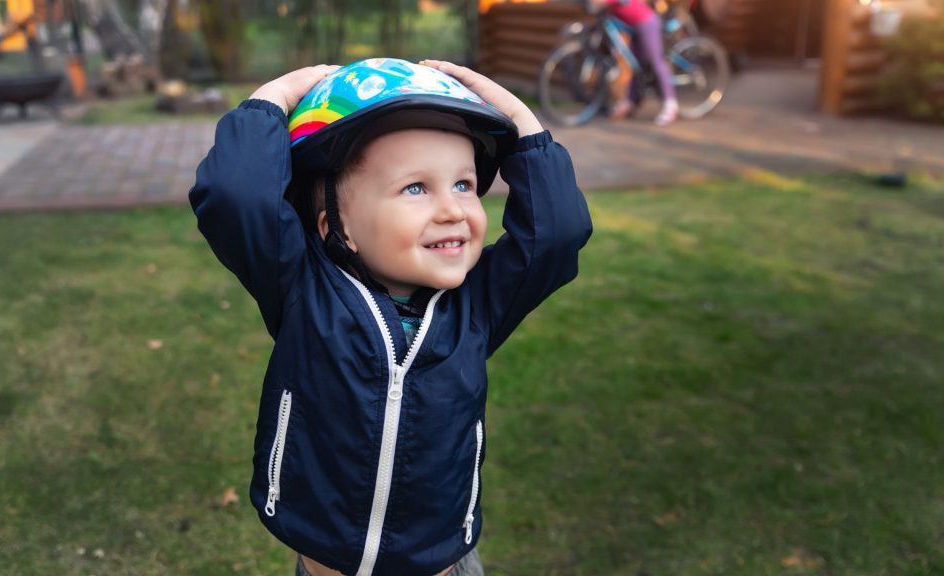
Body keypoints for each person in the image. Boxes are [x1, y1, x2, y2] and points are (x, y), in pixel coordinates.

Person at [188, 57, 592, 576]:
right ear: (337, 226)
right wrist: (278, 94)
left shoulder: (476, 306)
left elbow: (555, 233)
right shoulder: (300, 290)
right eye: (416, 188)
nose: (451, 209)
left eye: (465, 185)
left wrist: (517, 118)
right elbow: (234, 196)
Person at [594, 0, 679, 125]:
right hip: (632, 27)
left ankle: (671, 104)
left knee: (655, 62)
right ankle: (631, 101)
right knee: (636, 65)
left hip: (646, 22)